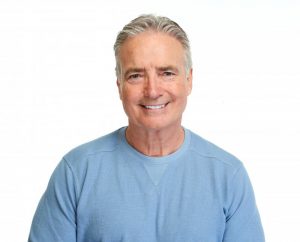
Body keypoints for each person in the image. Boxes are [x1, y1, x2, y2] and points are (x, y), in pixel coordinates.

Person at [28, 14, 265, 242]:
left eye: (167, 73)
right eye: (136, 76)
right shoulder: (76, 172)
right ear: (119, 83)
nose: (152, 90)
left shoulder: (229, 177)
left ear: (189, 80)